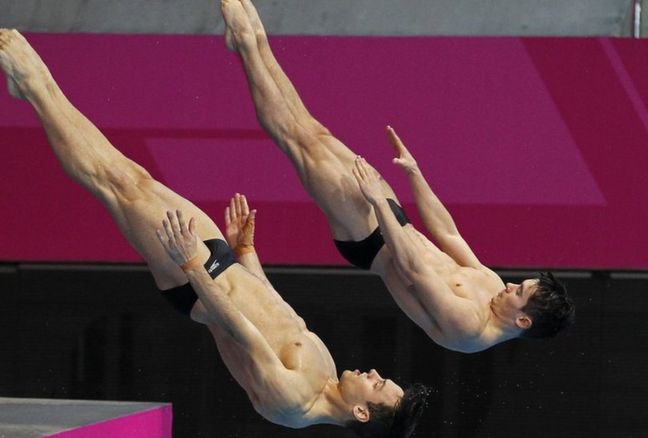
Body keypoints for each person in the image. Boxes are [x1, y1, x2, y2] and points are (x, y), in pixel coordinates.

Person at [0, 28, 427, 436]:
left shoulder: (292, 404)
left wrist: (190, 262)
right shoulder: (327, 373)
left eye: (377, 384)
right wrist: (248, 252)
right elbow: (273, 310)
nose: (374, 373)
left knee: (116, 181)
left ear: (360, 412)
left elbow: (237, 326)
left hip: (197, 280)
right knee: (136, 180)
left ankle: (34, 84)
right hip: (221, 268)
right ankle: (37, 92)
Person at [222, 0, 575, 353]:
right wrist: (415, 174)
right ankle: (254, 43)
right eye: (519, 283)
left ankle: (247, 48)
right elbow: (447, 232)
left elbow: (412, 270)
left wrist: (378, 201)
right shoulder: (491, 284)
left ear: (523, 321)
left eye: (519, 292)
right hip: (392, 219)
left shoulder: (468, 329)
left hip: (370, 239)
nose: (510, 285)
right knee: (315, 132)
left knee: (296, 141)